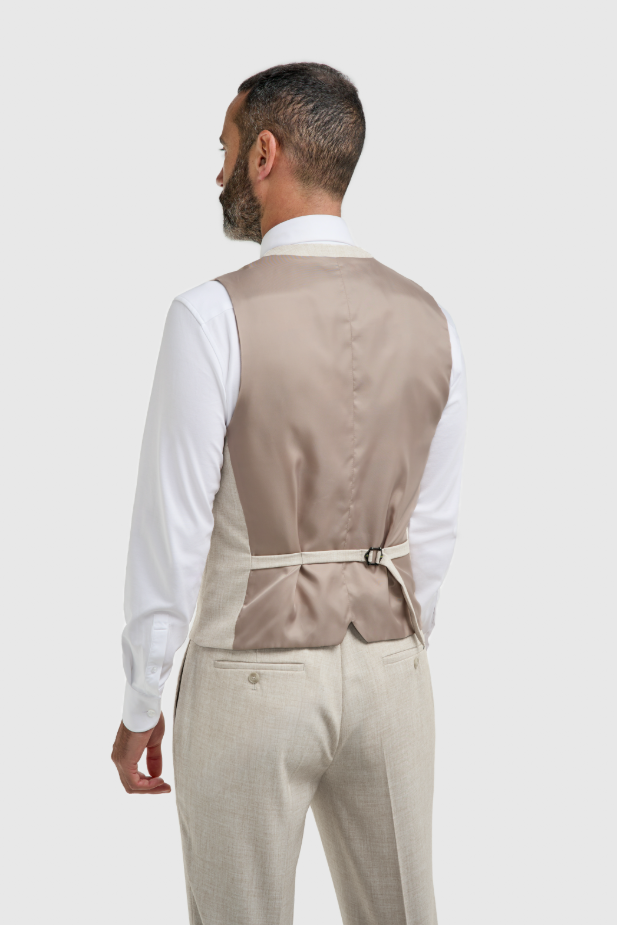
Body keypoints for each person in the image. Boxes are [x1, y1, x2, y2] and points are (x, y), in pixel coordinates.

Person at [111, 62, 467, 925]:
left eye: (226, 148)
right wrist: (391, 643)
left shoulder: (209, 315)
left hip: (252, 675)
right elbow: (434, 524)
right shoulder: (430, 317)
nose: (219, 172)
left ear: (264, 153)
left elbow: (172, 526)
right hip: (392, 671)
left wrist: (142, 697)